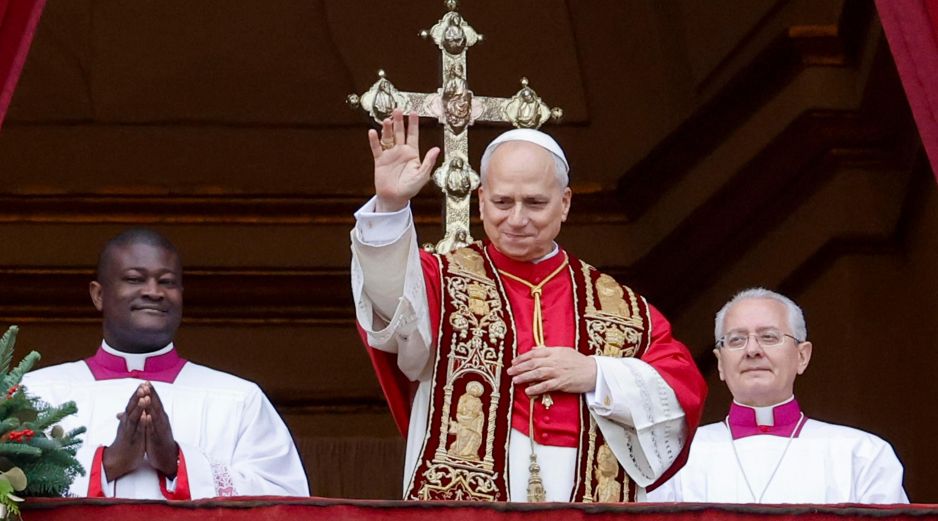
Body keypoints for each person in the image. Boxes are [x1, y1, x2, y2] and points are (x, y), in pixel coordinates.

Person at [350, 109, 707, 502]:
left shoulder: (620, 308)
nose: (517, 219)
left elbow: (682, 393)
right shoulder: (441, 280)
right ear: (481, 200)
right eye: (502, 202)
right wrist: (390, 207)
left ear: (565, 203)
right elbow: (391, 303)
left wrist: (597, 374)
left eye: (535, 203)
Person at [23, 229, 309, 499]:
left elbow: (285, 501)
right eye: (134, 279)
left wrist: (178, 462)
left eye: (167, 282)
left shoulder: (240, 399)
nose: (154, 291)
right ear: (99, 295)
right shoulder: (36, 394)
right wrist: (107, 464)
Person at [648, 288, 908, 504]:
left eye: (769, 337)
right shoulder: (675, 459)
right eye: (736, 340)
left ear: (802, 356)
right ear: (720, 363)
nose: (752, 350)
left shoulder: (862, 454)